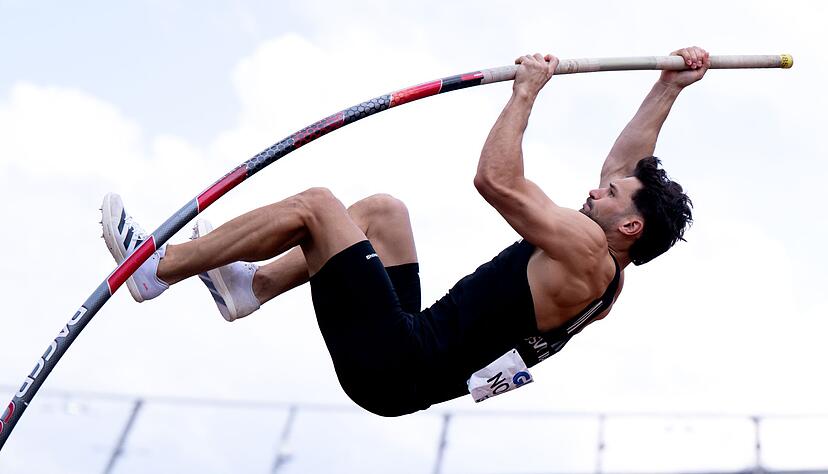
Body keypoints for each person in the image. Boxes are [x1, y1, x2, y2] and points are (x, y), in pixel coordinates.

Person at [100, 46, 704, 416]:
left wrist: (525, 93)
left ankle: (159, 269)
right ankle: (248, 288)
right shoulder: (608, 280)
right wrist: (666, 86)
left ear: (627, 224)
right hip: (408, 354)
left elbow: (496, 180)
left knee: (317, 207)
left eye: (612, 195)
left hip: (395, 362)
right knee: (383, 212)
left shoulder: (585, 248)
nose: (598, 187)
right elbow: (627, 169)